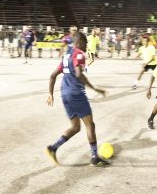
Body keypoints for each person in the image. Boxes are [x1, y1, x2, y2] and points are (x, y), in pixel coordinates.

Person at [46, 32, 109, 167]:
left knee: (75, 127)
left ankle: (53, 148)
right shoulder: (79, 54)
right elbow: (79, 74)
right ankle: (94, 157)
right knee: (90, 125)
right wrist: (95, 89)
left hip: (65, 94)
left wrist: (51, 94)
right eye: (85, 43)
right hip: (76, 94)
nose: (86, 46)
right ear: (79, 42)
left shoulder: (67, 55)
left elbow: (53, 75)